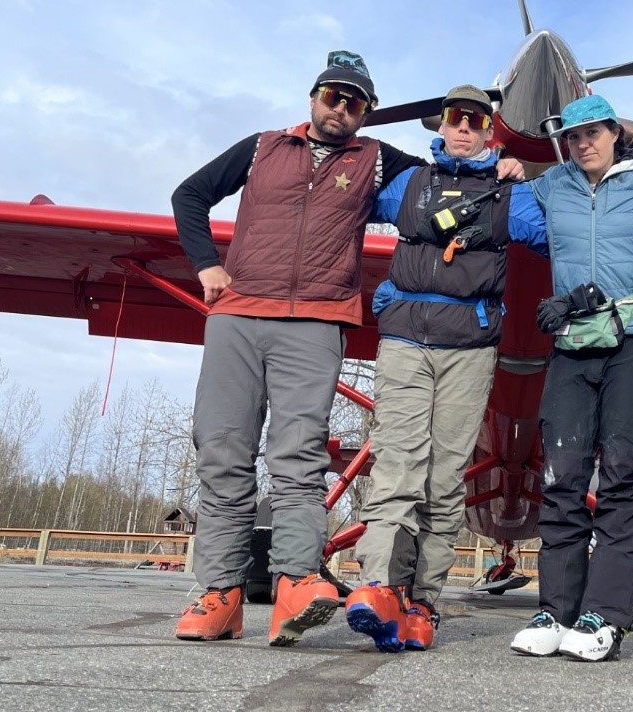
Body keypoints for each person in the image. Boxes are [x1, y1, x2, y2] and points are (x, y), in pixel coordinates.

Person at [169, 50, 430, 647]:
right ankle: (219, 592)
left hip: (316, 320)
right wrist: (208, 265)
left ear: (368, 113)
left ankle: (296, 583)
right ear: (313, 97)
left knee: (298, 455)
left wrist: (510, 159)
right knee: (223, 447)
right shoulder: (261, 147)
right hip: (238, 313)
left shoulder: (378, 159)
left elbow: (449, 176)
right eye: (332, 96)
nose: (341, 108)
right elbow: (190, 195)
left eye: (355, 101)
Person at [344, 85, 547, 653]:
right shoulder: (408, 183)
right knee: (398, 463)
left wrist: (535, 170)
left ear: (490, 129)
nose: (464, 125)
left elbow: (571, 234)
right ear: (443, 124)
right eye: (456, 117)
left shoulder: (513, 194)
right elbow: (337, 199)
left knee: (442, 477)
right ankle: (379, 586)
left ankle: (424, 601)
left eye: (476, 119)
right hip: (407, 342)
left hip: (470, 349)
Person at [508, 94, 633, 663]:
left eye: (593, 133)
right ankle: (554, 609)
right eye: (573, 137)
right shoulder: (551, 185)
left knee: (625, 473)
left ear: (615, 133)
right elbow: (495, 203)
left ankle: (604, 615)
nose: (583, 144)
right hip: (573, 340)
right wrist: (497, 165)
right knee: (560, 472)